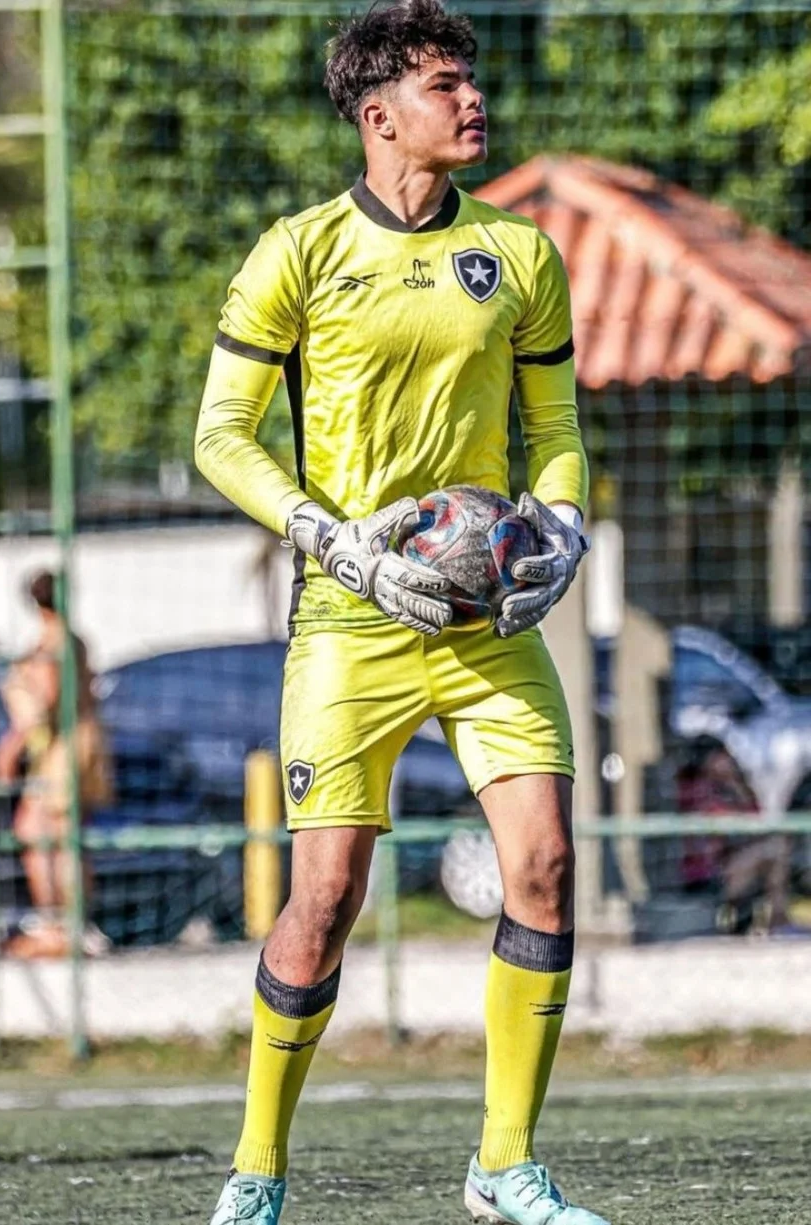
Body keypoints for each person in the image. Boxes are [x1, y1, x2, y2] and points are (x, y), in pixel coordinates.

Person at [194, 3, 603, 1222]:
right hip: (349, 617)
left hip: (485, 622)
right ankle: (257, 1174)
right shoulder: (297, 252)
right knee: (323, 905)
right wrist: (332, 539)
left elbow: (557, 430)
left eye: (472, 79)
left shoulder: (520, 253)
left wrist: (562, 526)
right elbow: (221, 436)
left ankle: (504, 1165)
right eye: (444, 84)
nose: (473, 100)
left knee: (545, 863)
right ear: (378, 116)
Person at [0, 570, 113, 958]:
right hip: (75, 745)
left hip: (61, 751)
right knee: (59, 834)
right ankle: (67, 922)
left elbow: (46, 701)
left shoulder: (54, 645)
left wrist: (10, 748)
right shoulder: (73, 640)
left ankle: (59, 923)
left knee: (46, 835)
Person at [677, 737, 792, 933]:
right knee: (773, 850)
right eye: (720, 756)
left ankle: (777, 921)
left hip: (732, 867)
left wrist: (734, 784)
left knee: (776, 848)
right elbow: (721, 821)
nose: (727, 761)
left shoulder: (734, 787)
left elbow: (756, 817)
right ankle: (779, 922)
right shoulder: (695, 786)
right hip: (706, 877)